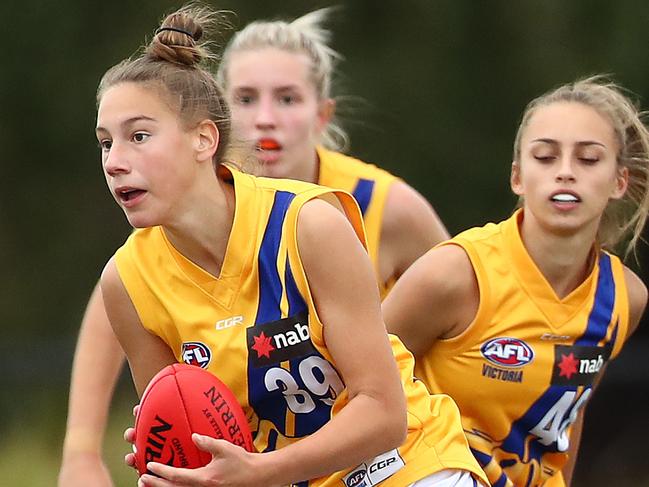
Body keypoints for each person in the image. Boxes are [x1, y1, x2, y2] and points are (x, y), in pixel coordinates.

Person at [92, 4, 488, 486]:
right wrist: (176, 463)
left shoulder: (310, 223)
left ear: (204, 139)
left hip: (404, 465)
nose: (114, 161)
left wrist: (260, 472)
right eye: (106, 143)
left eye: (138, 135)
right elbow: (192, 436)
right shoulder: (127, 281)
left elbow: (385, 414)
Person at [382, 76, 649, 487]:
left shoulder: (624, 297)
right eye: (544, 157)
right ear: (517, 178)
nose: (564, 173)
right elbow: (353, 379)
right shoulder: (456, 272)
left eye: (589, 159)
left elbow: (569, 418)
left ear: (619, 181)